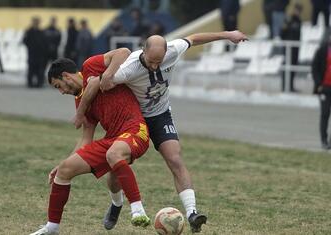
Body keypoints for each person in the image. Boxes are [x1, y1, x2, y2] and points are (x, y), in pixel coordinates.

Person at [74, 30, 248, 233]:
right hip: (134, 119)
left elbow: (194, 39)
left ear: (167, 52)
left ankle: (192, 213)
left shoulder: (173, 50)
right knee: (115, 170)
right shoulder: (129, 68)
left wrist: (229, 35)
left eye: (160, 61)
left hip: (161, 115)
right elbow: (97, 83)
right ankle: (116, 204)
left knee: (175, 158)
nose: (156, 65)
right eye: (151, 61)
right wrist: (82, 111)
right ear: (143, 51)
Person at [29, 48, 151, 235]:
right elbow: (86, 138)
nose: (61, 92)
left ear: (66, 76)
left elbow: (124, 52)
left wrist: (107, 76)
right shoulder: (80, 102)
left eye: (58, 86)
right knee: (65, 170)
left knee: (114, 154)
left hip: (135, 129)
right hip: (112, 139)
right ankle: (52, 227)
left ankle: (137, 210)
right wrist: (63, 163)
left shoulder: (90, 66)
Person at [312, 30, 331, 149]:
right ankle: (324, 140)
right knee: (325, 114)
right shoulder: (322, 50)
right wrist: (318, 84)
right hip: (324, 87)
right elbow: (315, 67)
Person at [281, 3, 302, 92]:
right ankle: (285, 86)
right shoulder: (288, 19)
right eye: (297, 10)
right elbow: (282, 33)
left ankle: (291, 86)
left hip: (295, 48)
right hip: (287, 48)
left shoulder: (299, 21)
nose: (298, 12)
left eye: (299, 10)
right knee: (287, 67)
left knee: (293, 67)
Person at [23, 16, 47, 88]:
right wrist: (30, 47)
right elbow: (25, 41)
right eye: (35, 21)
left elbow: (44, 43)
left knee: (40, 69)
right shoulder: (28, 31)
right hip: (32, 53)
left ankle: (39, 83)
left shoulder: (41, 32)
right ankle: (30, 83)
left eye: (37, 21)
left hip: (40, 54)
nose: (36, 23)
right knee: (31, 68)